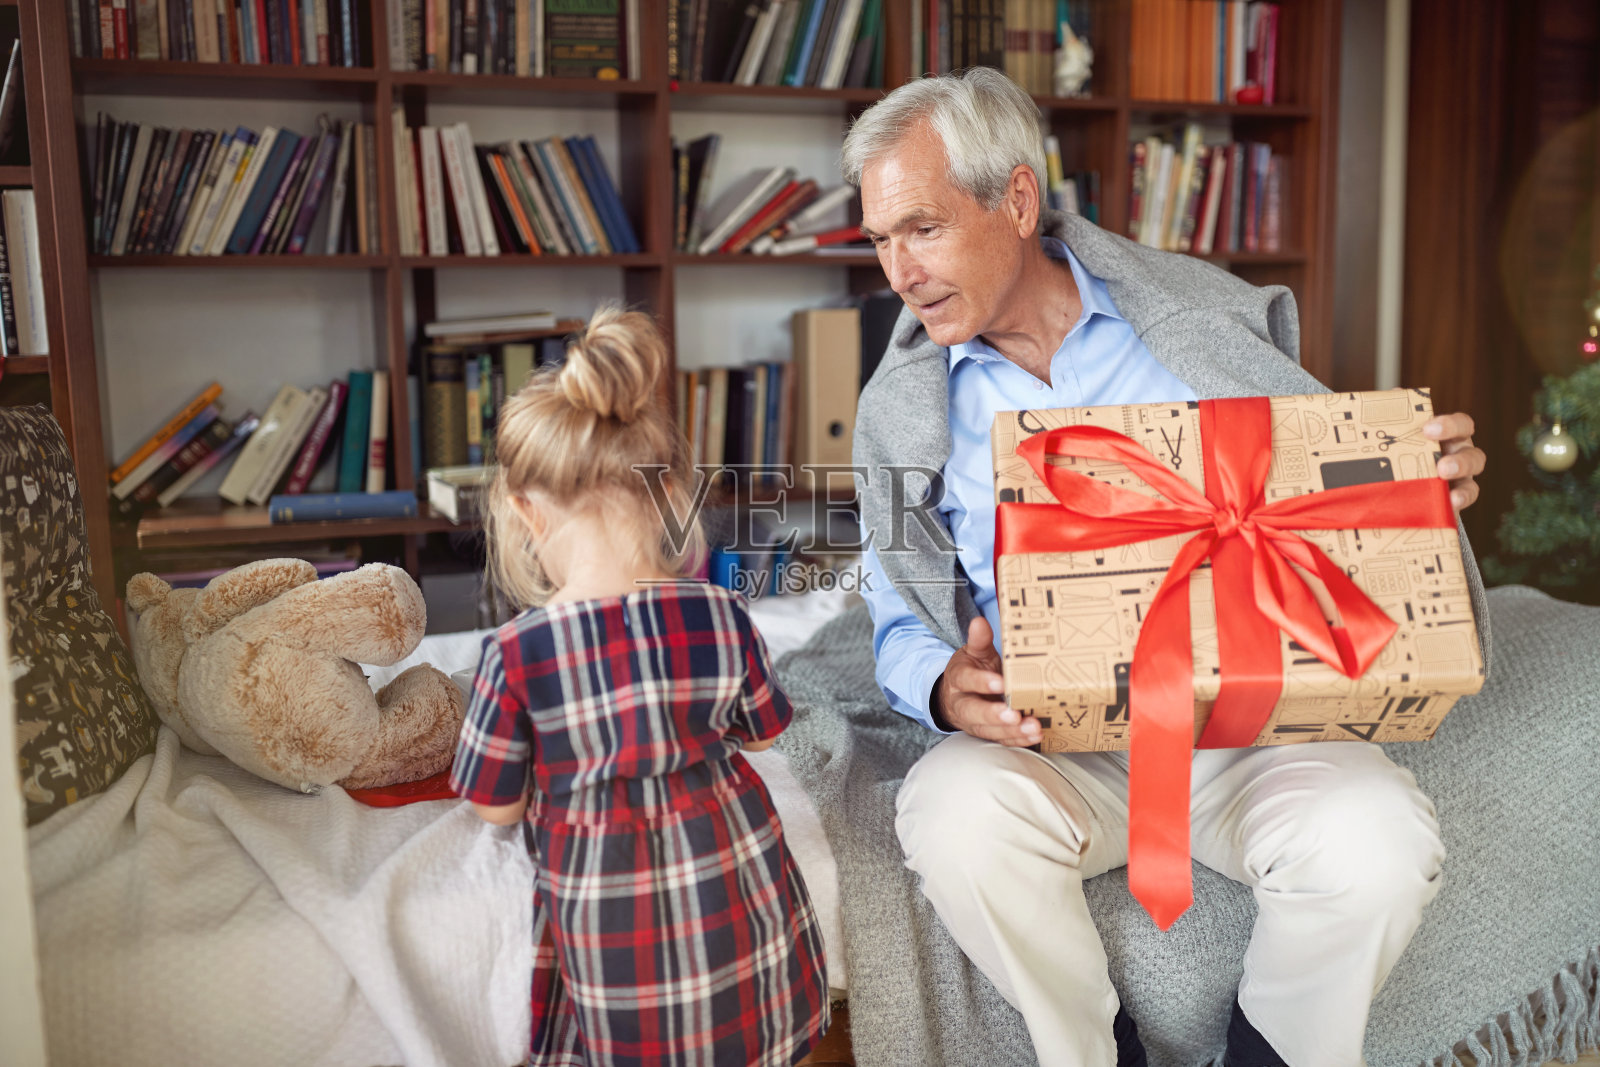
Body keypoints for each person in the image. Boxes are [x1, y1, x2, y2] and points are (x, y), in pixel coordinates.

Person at [845, 69, 1491, 1067]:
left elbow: (1323, 502)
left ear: (1016, 201)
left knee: (1379, 839)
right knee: (947, 810)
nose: (899, 270)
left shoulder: (1197, 321)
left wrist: (1412, 490)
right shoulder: (904, 409)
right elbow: (896, 612)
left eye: (921, 229)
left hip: (1253, 723)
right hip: (1057, 742)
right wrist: (938, 682)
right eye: (879, 239)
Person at [449, 306, 830, 1067]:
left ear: (525, 510)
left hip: (616, 930)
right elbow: (764, 729)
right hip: (740, 897)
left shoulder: (518, 652)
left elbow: (493, 803)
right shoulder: (719, 612)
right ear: (668, 493)